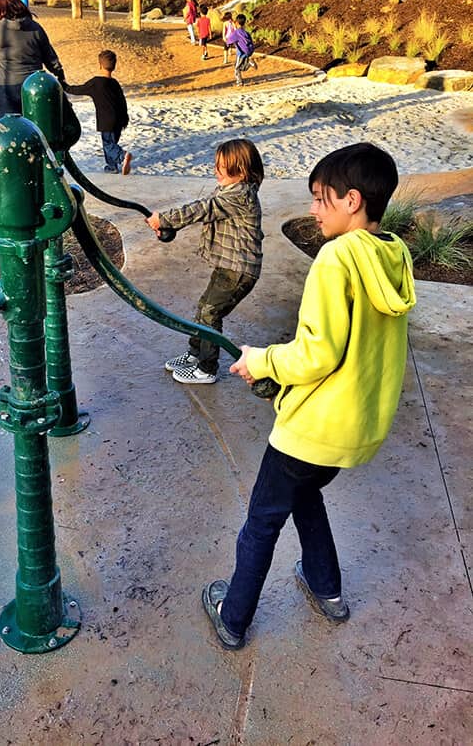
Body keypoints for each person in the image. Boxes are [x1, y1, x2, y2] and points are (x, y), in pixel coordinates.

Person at [202, 142, 416, 650]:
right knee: (306, 495)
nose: (314, 210)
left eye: (322, 199)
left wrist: (262, 360)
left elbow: (316, 353)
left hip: (312, 428)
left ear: (352, 201)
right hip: (356, 427)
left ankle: (232, 617)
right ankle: (328, 589)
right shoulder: (394, 253)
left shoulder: (337, 258)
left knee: (261, 521)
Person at [146, 139, 264, 384]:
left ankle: (207, 368)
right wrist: (170, 227)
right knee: (204, 308)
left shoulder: (240, 195)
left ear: (241, 171)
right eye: (216, 165)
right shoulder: (231, 190)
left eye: (222, 167)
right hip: (229, 267)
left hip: (239, 271)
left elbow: (202, 209)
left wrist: (165, 219)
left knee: (211, 313)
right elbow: (207, 213)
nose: (216, 171)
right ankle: (195, 353)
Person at [0, 0, 65, 118]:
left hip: (8, 85)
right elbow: (49, 55)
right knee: (34, 124)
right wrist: (59, 73)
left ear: (0, 9)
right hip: (33, 84)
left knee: (12, 127)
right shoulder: (35, 28)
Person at [63, 49, 131, 175]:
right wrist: (125, 118)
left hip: (106, 121)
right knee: (112, 143)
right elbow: (122, 101)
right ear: (114, 67)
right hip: (119, 119)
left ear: (100, 65)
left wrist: (64, 86)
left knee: (108, 145)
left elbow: (77, 90)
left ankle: (122, 155)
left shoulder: (96, 83)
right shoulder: (115, 83)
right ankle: (112, 167)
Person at [225, 14, 257, 87]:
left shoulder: (236, 33)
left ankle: (239, 82)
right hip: (249, 51)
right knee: (241, 66)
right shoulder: (246, 32)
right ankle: (249, 63)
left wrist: (227, 43)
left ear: (237, 22)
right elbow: (251, 41)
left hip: (241, 53)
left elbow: (229, 41)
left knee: (237, 68)